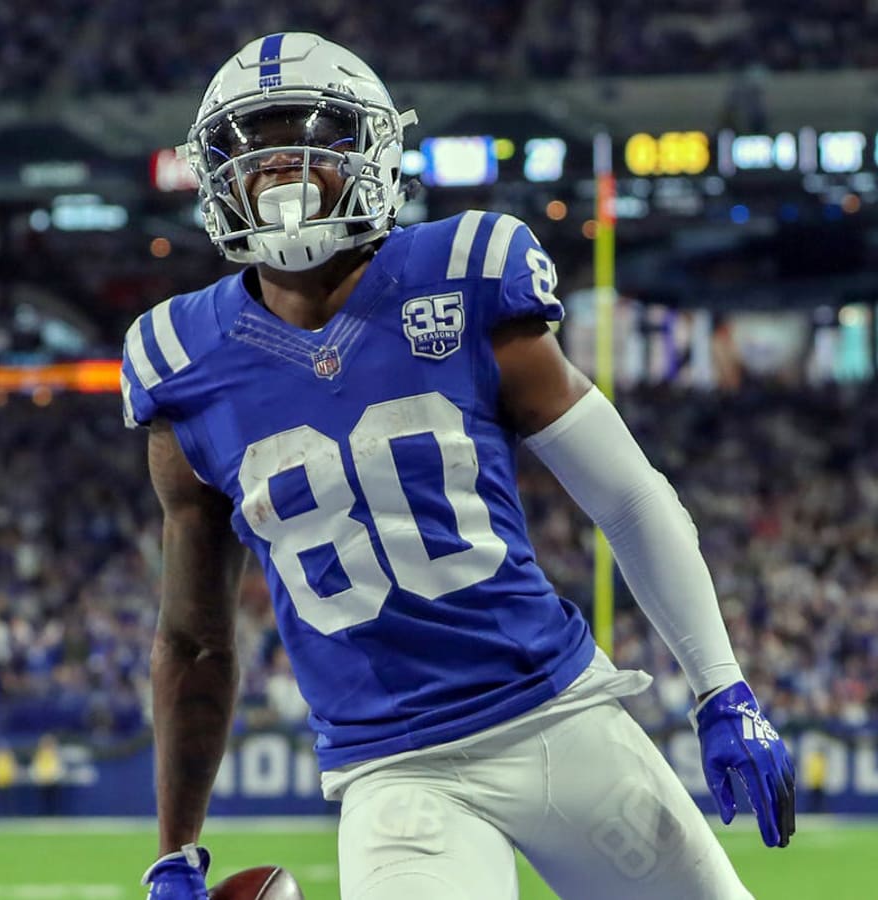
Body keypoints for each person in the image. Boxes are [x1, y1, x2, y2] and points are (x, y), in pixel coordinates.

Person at [125, 32, 795, 900]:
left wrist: (721, 687)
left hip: (557, 716)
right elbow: (193, 640)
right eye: (251, 143)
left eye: (307, 133)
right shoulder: (182, 360)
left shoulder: (463, 274)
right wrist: (176, 848)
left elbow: (628, 497)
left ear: (369, 150)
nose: (277, 165)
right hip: (396, 769)